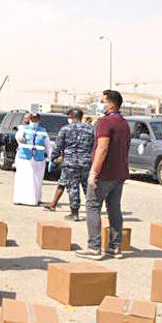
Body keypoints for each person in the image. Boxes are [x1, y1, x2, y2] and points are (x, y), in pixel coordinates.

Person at [77, 90, 131, 260]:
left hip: (104, 173)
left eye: (102, 101)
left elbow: (102, 148)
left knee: (92, 206)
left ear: (111, 104)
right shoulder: (124, 123)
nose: (99, 105)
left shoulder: (104, 122)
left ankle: (94, 247)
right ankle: (115, 247)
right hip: (119, 173)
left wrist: (93, 172)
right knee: (114, 209)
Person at [46, 108, 94, 221]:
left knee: (73, 187)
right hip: (86, 162)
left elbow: (58, 145)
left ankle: (74, 213)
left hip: (70, 162)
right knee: (88, 188)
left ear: (71, 117)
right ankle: (92, 213)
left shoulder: (65, 129)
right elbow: (95, 145)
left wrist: (53, 158)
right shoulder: (91, 129)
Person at [12, 113, 52, 206]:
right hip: (25, 158)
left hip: (38, 159)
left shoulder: (43, 131)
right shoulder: (23, 128)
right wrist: (21, 139)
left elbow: (48, 146)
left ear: (39, 120)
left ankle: (35, 200)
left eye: (36, 120)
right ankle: (19, 199)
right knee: (22, 178)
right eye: (33, 119)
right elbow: (18, 137)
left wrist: (51, 158)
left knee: (36, 179)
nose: (34, 121)